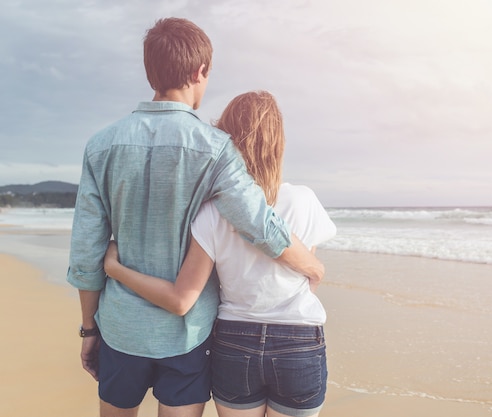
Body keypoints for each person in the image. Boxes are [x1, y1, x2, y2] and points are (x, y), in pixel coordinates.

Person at [67, 19, 324, 417]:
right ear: (198, 72)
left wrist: (89, 328)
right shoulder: (216, 148)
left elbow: (87, 249)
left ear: (150, 70)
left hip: (121, 327)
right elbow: (258, 224)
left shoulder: (101, 145)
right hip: (187, 335)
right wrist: (310, 265)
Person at [104, 90, 337, 417]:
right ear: (279, 143)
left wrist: (114, 268)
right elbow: (307, 276)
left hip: (234, 342)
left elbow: (181, 298)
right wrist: (316, 270)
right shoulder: (304, 200)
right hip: (298, 340)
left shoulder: (212, 211)